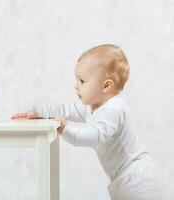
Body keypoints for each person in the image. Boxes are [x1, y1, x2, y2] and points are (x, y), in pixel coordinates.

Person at [11, 44, 161, 200]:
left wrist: (65, 129)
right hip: (122, 178)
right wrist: (38, 111)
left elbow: (95, 135)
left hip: (138, 178)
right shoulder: (92, 107)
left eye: (82, 81)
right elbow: (65, 109)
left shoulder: (114, 108)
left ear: (106, 85)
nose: (76, 86)